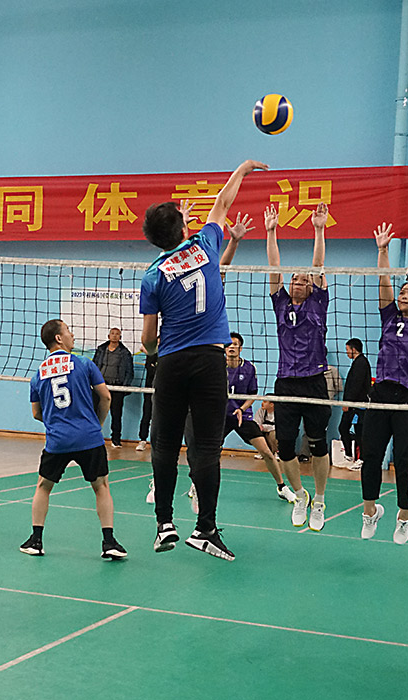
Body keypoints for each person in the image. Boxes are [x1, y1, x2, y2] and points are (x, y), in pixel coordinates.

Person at [140, 158, 266, 561]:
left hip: (172, 363)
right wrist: (242, 170)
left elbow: (147, 339)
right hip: (210, 362)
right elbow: (222, 203)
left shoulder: (152, 275)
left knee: (164, 445)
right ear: (184, 228)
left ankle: (164, 524)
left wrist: (158, 353)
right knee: (208, 448)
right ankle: (205, 529)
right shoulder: (206, 245)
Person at [22, 319, 126, 560]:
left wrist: (56, 422)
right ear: (59, 338)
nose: (73, 335)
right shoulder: (84, 363)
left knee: (43, 486)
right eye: (68, 331)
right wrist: (96, 425)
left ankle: (35, 541)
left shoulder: (38, 374)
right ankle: (109, 542)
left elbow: (36, 413)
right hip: (89, 437)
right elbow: (106, 397)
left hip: (57, 440)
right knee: (101, 487)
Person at [359, 226, 408, 543]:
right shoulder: (389, 317)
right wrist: (382, 250)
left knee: (404, 460)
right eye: (403, 291)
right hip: (381, 393)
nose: (404, 295)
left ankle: (403, 517)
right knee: (371, 456)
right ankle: (370, 511)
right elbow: (384, 281)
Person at [264, 202, 332, 531]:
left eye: (304, 280)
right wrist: (271, 232)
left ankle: (319, 498)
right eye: (295, 279)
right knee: (286, 445)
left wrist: (319, 229)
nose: (298, 282)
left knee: (317, 444)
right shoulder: (280, 303)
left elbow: (318, 265)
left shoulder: (318, 302)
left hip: (314, 380)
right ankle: (300, 495)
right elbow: (274, 267)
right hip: (286, 382)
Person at [224, 332, 299, 504]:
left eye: (235, 344)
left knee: (266, 451)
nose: (232, 347)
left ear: (240, 348)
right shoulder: (216, 366)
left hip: (243, 416)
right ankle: (196, 485)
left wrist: (241, 409)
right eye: (229, 344)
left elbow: (252, 395)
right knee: (209, 452)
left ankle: (282, 487)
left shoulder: (249, 368)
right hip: (222, 416)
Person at [92, 327, 135, 448]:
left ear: (120, 337)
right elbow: (94, 366)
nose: (115, 335)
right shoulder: (101, 350)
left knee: (116, 415)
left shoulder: (125, 353)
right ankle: (92, 437)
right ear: (108, 336)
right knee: (94, 412)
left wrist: (124, 387)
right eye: (112, 333)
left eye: (117, 334)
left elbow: (129, 371)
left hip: (117, 387)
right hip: (100, 387)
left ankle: (116, 440)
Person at [337, 338, 371, 469]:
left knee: (358, 431)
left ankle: (361, 459)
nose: (346, 353)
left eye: (347, 350)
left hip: (357, 405)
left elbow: (356, 385)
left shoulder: (361, 363)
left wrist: (348, 403)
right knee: (344, 428)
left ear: (354, 349)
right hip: (354, 404)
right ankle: (349, 456)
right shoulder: (357, 362)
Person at [135, 343, 157, 452]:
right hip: (149, 390)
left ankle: (158, 442)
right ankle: (142, 440)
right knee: (146, 415)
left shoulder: (166, 357)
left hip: (163, 391)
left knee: (161, 417)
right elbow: (142, 347)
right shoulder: (151, 356)